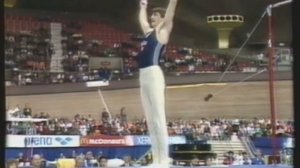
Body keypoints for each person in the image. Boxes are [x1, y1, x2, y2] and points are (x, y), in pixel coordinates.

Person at [137, 0, 178, 167]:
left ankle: (164, 159)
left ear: (162, 18)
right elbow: (142, 20)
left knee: (159, 118)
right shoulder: (148, 32)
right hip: (143, 76)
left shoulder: (162, 32)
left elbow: (170, 15)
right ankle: (156, 159)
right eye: (152, 15)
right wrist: (143, 7)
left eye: (155, 15)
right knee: (150, 120)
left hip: (154, 74)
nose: (151, 17)